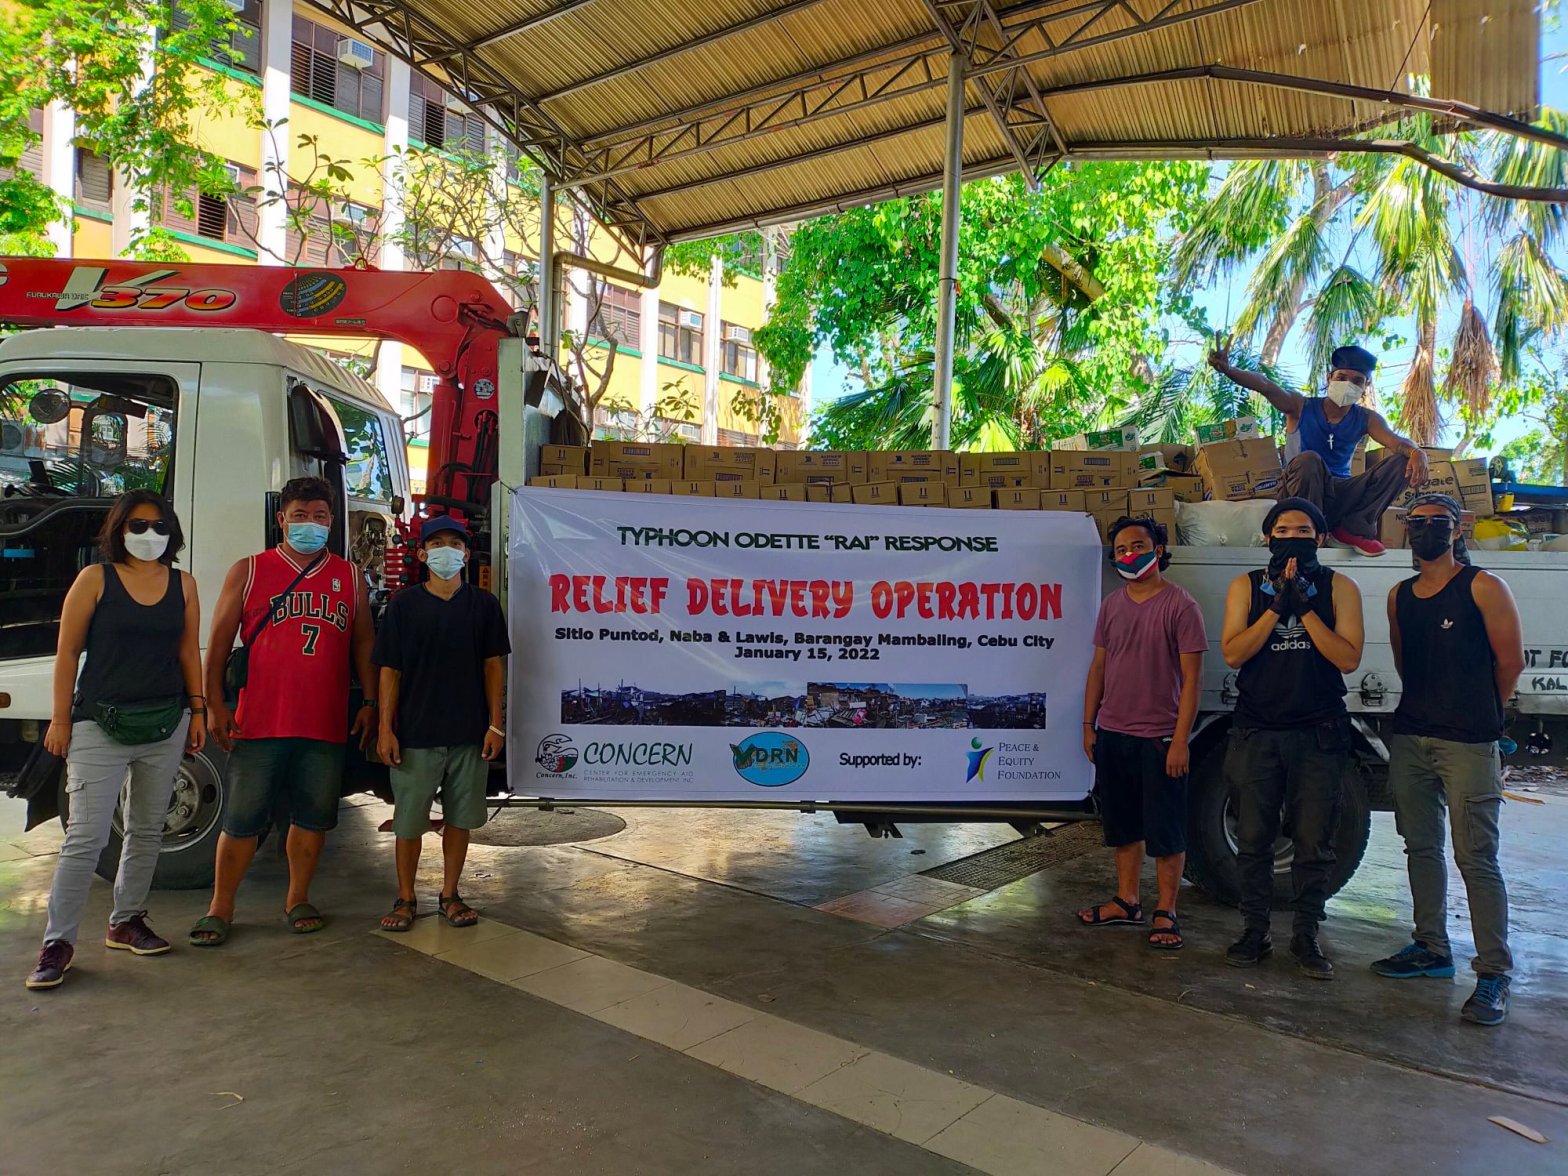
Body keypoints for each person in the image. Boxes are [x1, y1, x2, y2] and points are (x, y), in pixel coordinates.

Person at [26, 492, 205, 990]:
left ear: (172, 531)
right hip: (97, 725)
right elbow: (67, 653)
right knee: (86, 837)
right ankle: (57, 943)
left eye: (159, 525)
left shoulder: (184, 585)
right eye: (138, 525)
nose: (149, 534)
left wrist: (198, 710)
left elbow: (188, 651)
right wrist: (60, 719)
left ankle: (126, 921)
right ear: (119, 529)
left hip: (164, 724)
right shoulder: (94, 580)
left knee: (146, 830)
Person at [189, 477, 376, 946]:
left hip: (324, 722)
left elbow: (364, 643)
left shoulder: (349, 576)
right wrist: (213, 705)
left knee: (312, 817)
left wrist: (371, 702)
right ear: (282, 520)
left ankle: (298, 898)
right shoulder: (250, 570)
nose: (310, 523)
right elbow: (219, 644)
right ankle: (220, 906)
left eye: (319, 516)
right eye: (300, 515)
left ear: (331, 522)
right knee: (241, 820)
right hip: (259, 721)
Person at [1372, 493, 1524, 1026]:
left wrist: (1479, 713)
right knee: (1420, 847)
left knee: (1476, 857)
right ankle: (1431, 948)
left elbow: (1510, 662)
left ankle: (1493, 974)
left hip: (1469, 742)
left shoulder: (1483, 586)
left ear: (1457, 530)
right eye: (1416, 522)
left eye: (1438, 521)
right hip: (1412, 737)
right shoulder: (1400, 596)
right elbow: (1404, 660)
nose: (1426, 529)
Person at [1220, 498, 1363, 979]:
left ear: (1320, 539)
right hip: (1257, 730)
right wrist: (1275, 608)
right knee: (1253, 839)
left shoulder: (1340, 587)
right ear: (1268, 538)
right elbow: (1234, 653)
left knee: (1314, 842)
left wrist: (1304, 609)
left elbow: (1347, 658)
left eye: (1304, 531)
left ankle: (1306, 935)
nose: (1293, 538)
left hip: (1318, 732)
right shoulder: (1245, 587)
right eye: (1282, 530)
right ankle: (1255, 930)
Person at [373, 516, 510, 932]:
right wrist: (385, 728)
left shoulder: (484, 605)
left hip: (469, 733)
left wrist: (496, 724)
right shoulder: (404, 606)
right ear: (422, 554)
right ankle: (405, 897)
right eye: (436, 544)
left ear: (466, 555)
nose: (446, 551)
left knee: (460, 819)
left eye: (454, 543)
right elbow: (390, 671)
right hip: (415, 734)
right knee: (408, 822)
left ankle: (450, 894)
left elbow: (493, 666)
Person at [1078, 516, 1207, 950]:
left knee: (1166, 831)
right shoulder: (1111, 606)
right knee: (1123, 826)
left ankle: (1166, 911)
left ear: (1158, 550)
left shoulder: (1181, 606)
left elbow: (1193, 680)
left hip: (1160, 738)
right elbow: (1099, 667)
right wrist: (1089, 724)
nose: (1129, 555)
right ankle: (1126, 901)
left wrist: (1180, 740)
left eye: (1137, 546)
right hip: (1113, 734)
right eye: (1121, 549)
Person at [1208, 341, 1428, 555]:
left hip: (1339, 493)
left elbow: (1395, 441)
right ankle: (1308, 529)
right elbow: (1265, 385)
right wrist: (1229, 370)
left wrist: (1416, 452)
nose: (1348, 384)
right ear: (1329, 378)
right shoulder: (1300, 406)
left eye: (1357, 381)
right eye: (1341, 377)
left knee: (1402, 461)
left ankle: (1351, 530)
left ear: (1365, 386)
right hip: (1299, 491)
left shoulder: (1366, 418)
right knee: (1310, 460)